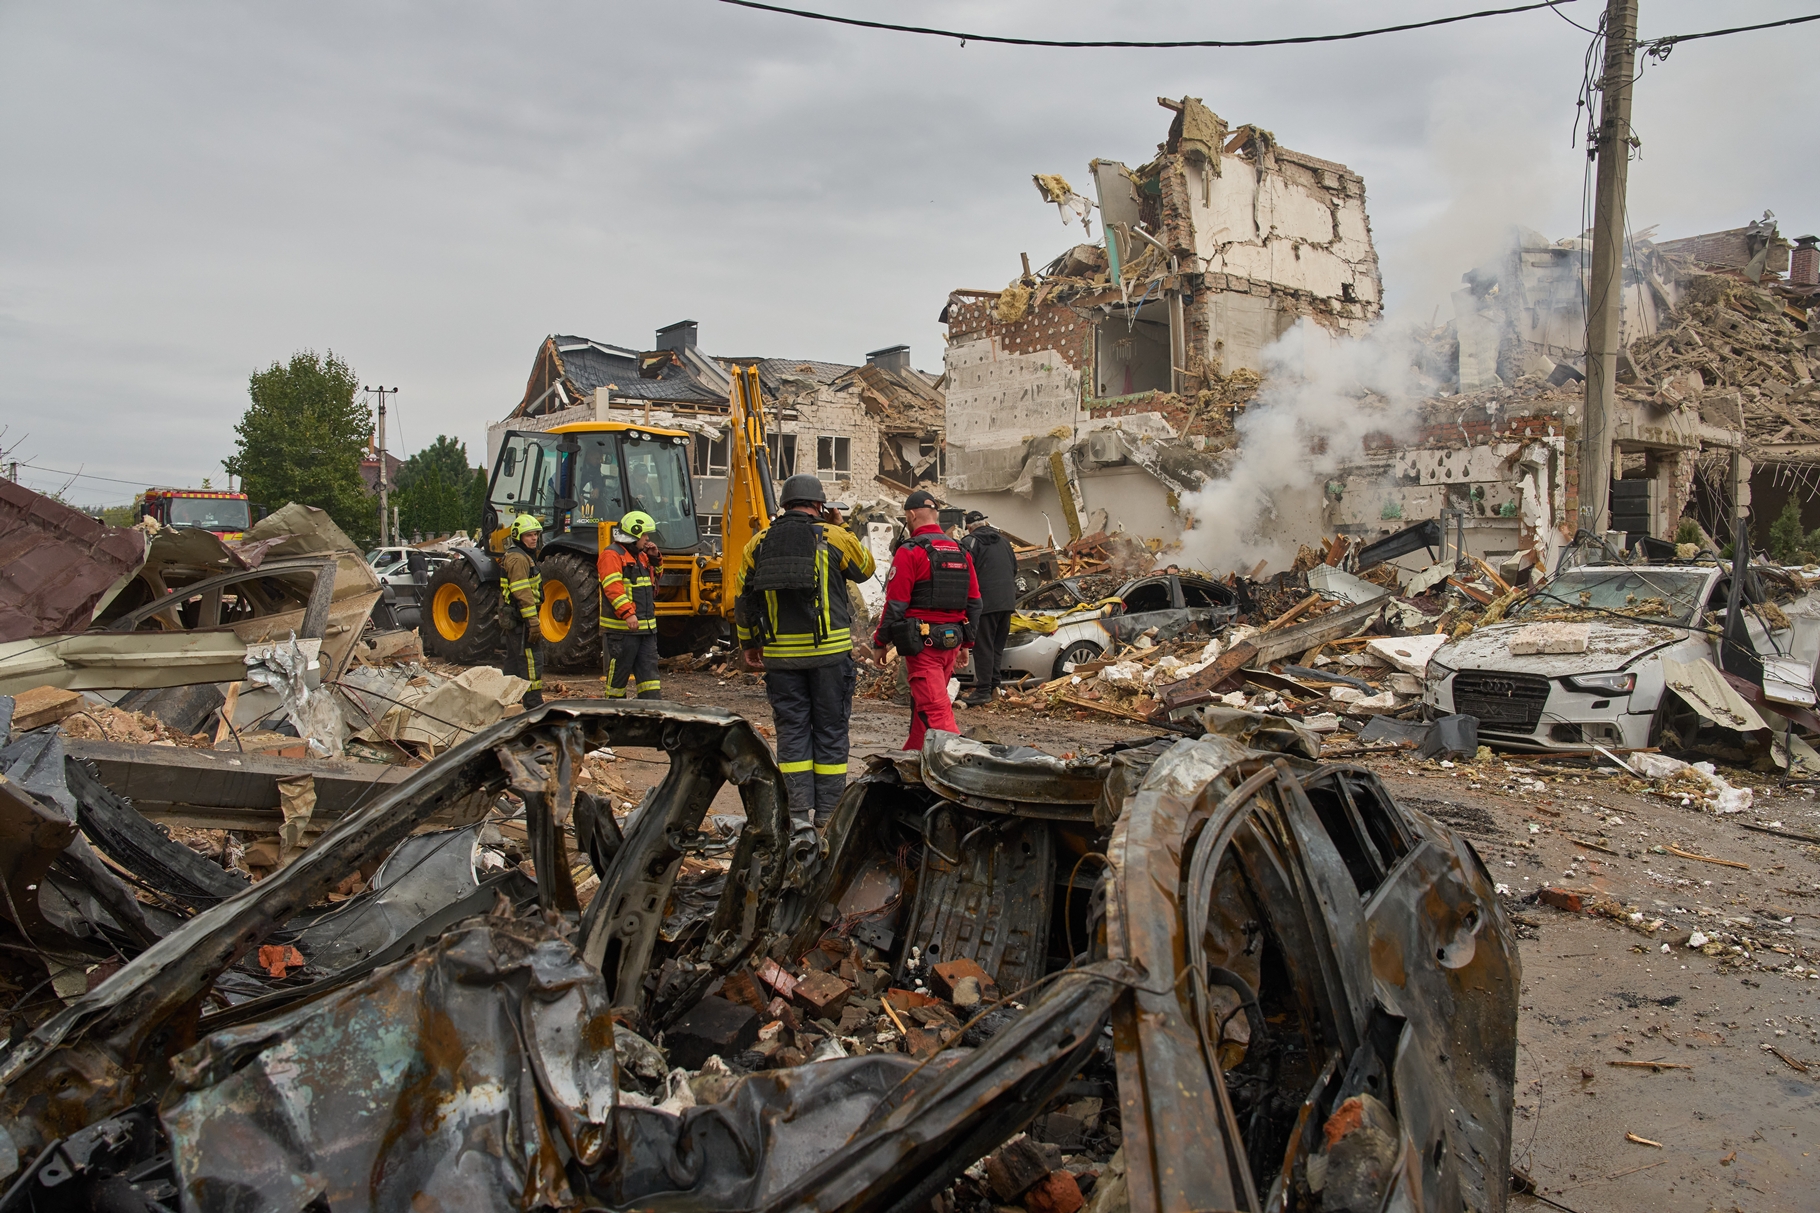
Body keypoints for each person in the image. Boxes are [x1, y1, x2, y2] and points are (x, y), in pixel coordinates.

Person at [731, 474, 876, 826]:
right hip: (829, 656)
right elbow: (866, 569)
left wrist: (749, 644)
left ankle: (796, 813)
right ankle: (828, 813)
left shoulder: (759, 543)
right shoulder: (834, 536)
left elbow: (743, 600)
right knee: (830, 730)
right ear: (819, 504)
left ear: (785, 504)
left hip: (781, 658)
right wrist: (842, 526)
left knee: (792, 731)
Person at [873, 490, 980, 751]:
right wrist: (966, 644)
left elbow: (896, 604)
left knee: (936, 712)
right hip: (952, 642)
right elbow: (975, 602)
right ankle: (913, 756)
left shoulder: (910, 551)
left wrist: (880, 642)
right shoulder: (961, 551)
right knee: (925, 710)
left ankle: (961, 762)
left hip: (923, 646)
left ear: (911, 515)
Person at [598, 510, 662, 699]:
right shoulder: (611, 555)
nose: (647, 538)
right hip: (623, 631)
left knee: (650, 679)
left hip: (646, 629)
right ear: (634, 534)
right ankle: (613, 710)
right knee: (619, 676)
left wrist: (655, 557)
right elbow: (613, 588)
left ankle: (650, 710)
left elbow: (656, 578)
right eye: (644, 534)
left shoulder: (641, 556)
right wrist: (628, 613)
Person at [959, 509, 1017, 706]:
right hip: (1007, 603)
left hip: (984, 603)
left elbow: (965, 574)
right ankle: (994, 687)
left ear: (968, 527)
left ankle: (983, 690)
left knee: (983, 647)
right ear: (985, 523)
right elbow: (1014, 569)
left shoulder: (969, 543)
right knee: (996, 647)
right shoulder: (1004, 542)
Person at [498, 513, 546, 710]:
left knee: (513, 663)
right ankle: (533, 704)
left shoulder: (522, 556)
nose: (534, 538)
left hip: (518, 618)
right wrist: (532, 621)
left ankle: (507, 703)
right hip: (522, 620)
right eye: (529, 535)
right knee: (532, 662)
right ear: (518, 536)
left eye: (535, 534)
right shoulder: (518, 558)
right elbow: (522, 592)